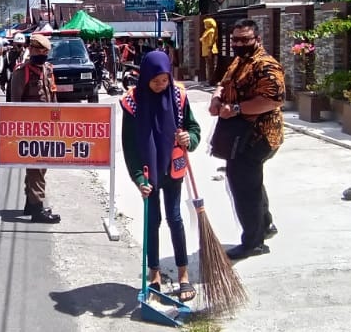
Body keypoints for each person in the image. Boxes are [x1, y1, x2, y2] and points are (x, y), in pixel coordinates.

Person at [121, 50, 201, 303]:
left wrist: (191, 139)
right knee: (152, 220)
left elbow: (193, 128)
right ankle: (153, 274)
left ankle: (183, 275)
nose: (161, 84)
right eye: (155, 80)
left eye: (164, 79)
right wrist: (138, 179)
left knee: (175, 218)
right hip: (148, 171)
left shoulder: (178, 95)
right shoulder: (132, 103)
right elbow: (130, 145)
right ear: (145, 77)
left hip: (173, 168)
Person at [210, 18, 283, 260]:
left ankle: (253, 242)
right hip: (239, 133)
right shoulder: (239, 62)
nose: (239, 44)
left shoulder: (266, 65)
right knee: (251, 182)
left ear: (257, 39)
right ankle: (265, 225)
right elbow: (224, 83)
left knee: (243, 187)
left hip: (258, 135)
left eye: (245, 40)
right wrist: (217, 97)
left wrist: (238, 109)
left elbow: (273, 100)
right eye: (236, 40)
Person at [5, 33, 60, 224]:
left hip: (47, 128)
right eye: (38, 50)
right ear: (30, 49)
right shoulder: (22, 72)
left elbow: (53, 98)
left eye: (45, 51)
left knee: (41, 166)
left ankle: (30, 202)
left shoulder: (48, 70)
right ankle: (37, 209)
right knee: (36, 165)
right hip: (29, 129)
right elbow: (15, 103)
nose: (42, 54)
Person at [200, 18, 220, 84]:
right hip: (206, 51)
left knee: (211, 67)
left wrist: (209, 50)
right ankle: (209, 80)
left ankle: (211, 81)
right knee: (208, 66)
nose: (204, 25)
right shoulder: (207, 31)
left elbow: (211, 41)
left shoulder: (211, 31)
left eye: (205, 24)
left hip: (211, 51)